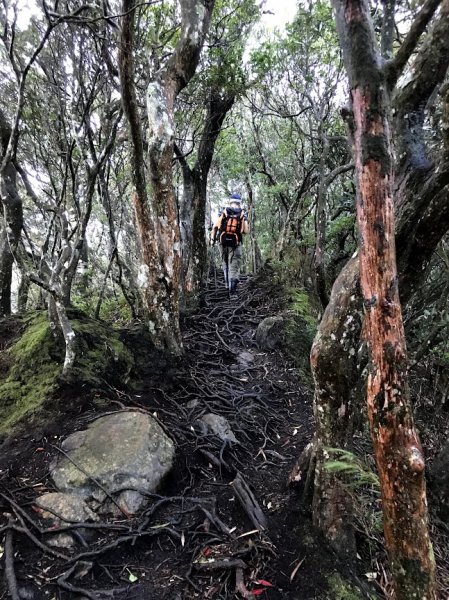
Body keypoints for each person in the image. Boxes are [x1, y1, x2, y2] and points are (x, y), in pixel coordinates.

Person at [210, 193, 249, 296]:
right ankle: (233, 293)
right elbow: (245, 231)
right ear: (239, 203)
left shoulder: (223, 211)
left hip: (222, 242)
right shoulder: (242, 213)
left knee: (225, 263)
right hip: (235, 243)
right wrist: (244, 219)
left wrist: (212, 240)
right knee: (234, 266)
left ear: (230, 202)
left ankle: (227, 285)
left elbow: (215, 227)